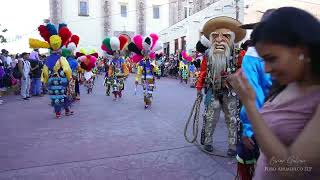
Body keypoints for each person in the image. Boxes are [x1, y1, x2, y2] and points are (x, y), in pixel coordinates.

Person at [228, 7, 320, 179]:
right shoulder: (288, 83)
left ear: (302, 50)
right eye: (264, 60)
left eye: (272, 59)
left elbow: (292, 169)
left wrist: (249, 104)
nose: (267, 69)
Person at [194, 16, 246, 156]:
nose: (219, 39)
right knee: (210, 117)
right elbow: (203, 72)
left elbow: (245, 73)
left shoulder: (240, 55)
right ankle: (207, 142)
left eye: (225, 36)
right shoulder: (208, 55)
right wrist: (199, 88)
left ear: (232, 39)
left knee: (233, 119)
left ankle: (233, 146)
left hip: (232, 93)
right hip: (213, 91)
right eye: (215, 35)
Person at [235, 9, 275, 180]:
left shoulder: (252, 57)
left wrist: (249, 129)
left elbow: (254, 95)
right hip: (286, 122)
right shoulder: (295, 55)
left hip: (264, 123)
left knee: (249, 159)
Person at [31, 23, 74, 118]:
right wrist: (69, 78)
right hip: (61, 80)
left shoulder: (48, 59)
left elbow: (45, 71)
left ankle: (58, 113)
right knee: (64, 95)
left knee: (55, 96)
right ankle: (67, 110)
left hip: (52, 81)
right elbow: (67, 69)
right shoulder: (62, 58)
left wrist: (45, 81)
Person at [128, 34, 162, 109]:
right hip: (144, 79)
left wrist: (154, 67)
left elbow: (157, 69)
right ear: (143, 54)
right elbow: (139, 72)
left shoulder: (152, 61)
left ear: (149, 53)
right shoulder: (141, 62)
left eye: (148, 53)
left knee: (149, 92)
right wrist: (137, 80)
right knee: (144, 92)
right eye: (145, 53)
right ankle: (146, 102)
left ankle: (149, 100)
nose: (147, 54)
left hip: (151, 79)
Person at [101, 35, 129, 100]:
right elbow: (110, 68)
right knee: (114, 86)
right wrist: (109, 74)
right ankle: (115, 95)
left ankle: (119, 92)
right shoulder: (112, 61)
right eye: (115, 53)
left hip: (121, 75)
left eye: (117, 53)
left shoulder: (121, 60)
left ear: (119, 53)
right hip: (114, 76)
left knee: (120, 86)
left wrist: (126, 73)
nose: (116, 54)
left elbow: (124, 67)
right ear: (113, 54)